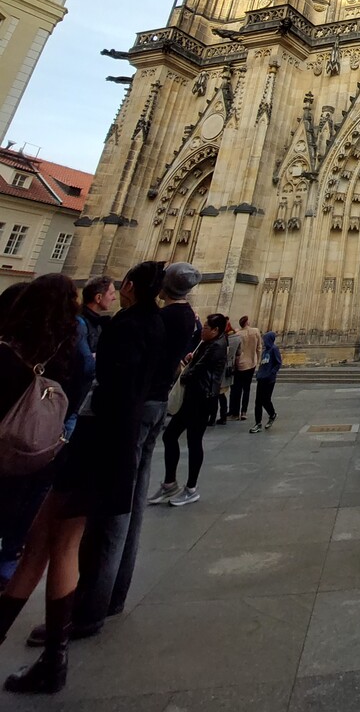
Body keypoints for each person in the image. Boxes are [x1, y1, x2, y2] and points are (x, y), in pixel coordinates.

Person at [0, 264, 165, 694]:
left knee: (38, 546)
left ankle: (57, 650)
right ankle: (56, 655)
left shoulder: (38, 346)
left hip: (82, 448)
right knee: (53, 545)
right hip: (84, 446)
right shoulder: (82, 348)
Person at [24, 263, 199, 649]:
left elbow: (111, 377)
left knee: (105, 517)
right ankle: (111, 595)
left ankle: (90, 606)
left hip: (122, 418)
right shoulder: (180, 319)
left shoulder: (144, 322)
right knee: (127, 507)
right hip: (146, 411)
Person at [0, 277, 91, 594]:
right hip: (43, 438)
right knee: (30, 505)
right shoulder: (70, 340)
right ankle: (9, 558)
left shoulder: (10, 341)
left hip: (13, 433)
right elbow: (83, 379)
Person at [150, 312, 227, 506]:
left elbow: (194, 372)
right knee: (170, 436)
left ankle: (191, 488)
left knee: (193, 441)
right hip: (193, 398)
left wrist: (185, 369)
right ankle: (170, 483)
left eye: (206, 328)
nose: (203, 331)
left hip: (202, 399)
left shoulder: (217, 346)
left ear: (216, 330)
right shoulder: (209, 343)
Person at [228, 315, 261, 421]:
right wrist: (258, 361)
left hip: (239, 364)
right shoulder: (255, 331)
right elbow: (259, 347)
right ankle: (244, 412)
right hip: (251, 363)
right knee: (246, 388)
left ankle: (235, 413)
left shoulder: (237, 334)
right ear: (247, 322)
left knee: (237, 388)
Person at [249, 330, 282, 431]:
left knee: (266, 400)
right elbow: (263, 363)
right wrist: (259, 373)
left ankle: (272, 414)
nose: (264, 341)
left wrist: (272, 373)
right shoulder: (265, 350)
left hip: (269, 379)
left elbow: (278, 363)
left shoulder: (274, 349)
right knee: (258, 401)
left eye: (265, 339)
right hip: (261, 378)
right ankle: (258, 423)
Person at [210, 321, 240, 427]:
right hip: (228, 369)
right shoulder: (237, 338)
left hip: (218, 369)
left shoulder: (221, 339)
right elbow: (238, 354)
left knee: (214, 394)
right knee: (222, 395)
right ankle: (223, 416)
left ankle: (212, 417)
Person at [78, 276, 116, 355]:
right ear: (98, 297)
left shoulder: (98, 322)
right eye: (111, 293)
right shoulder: (80, 322)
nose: (114, 298)